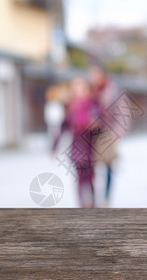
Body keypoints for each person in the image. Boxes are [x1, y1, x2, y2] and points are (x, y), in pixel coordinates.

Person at [52, 77, 101, 208]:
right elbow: (62, 127)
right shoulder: (70, 106)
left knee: (89, 178)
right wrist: (54, 147)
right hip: (77, 147)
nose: (77, 91)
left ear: (85, 90)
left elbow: (100, 123)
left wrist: (95, 125)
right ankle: (81, 206)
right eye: (75, 89)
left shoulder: (93, 104)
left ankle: (92, 204)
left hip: (91, 146)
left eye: (80, 88)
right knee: (79, 178)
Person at [89, 66, 122, 207]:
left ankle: (107, 196)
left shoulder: (112, 90)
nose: (93, 78)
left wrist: (116, 133)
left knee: (108, 165)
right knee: (91, 167)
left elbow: (122, 112)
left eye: (95, 75)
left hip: (108, 133)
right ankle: (93, 197)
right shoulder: (89, 90)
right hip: (91, 135)